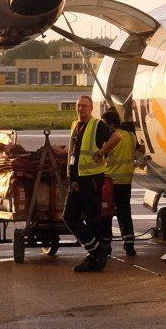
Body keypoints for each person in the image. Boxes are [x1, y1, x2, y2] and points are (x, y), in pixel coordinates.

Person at [65, 94, 112, 272]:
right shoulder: (76, 125)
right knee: (71, 217)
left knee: (90, 219)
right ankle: (97, 252)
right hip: (77, 179)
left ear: (91, 108)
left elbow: (116, 138)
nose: (80, 108)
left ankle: (96, 255)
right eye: (78, 106)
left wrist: (101, 152)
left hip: (91, 179)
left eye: (84, 106)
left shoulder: (97, 125)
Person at [99, 105, 140, 256]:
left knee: (106, 214)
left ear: (111, 124)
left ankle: (106, 245)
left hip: (109, 181)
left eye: (104, 124)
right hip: (126, 181)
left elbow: (101, 156)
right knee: (125, 213)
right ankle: (129, 244)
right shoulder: (131, 136)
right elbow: (136, 152)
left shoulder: (109, 138)